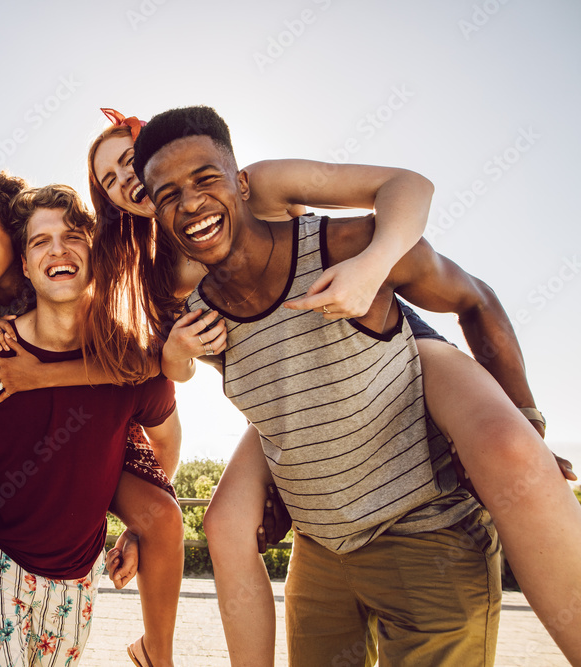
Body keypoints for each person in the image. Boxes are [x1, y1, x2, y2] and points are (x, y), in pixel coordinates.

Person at [135, 105, 581, 664]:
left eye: (205, 180)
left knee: (509, 447)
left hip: (427, 539)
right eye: (169, 194)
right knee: (225, 524)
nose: (191, 202)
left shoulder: (346, 248)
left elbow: (475, 297)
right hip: (322, 556)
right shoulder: (191, 316)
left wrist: (528, 419)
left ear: (242, 183)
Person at [0, 173, 184, 667]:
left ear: (96, 257)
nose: (58, 251)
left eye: (73, 238)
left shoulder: (127, 357)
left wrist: (139, 526)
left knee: (165, 515)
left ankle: (159, 653)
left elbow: (164, 432)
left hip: (74, 567)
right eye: (42, 241)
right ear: (25, 262)